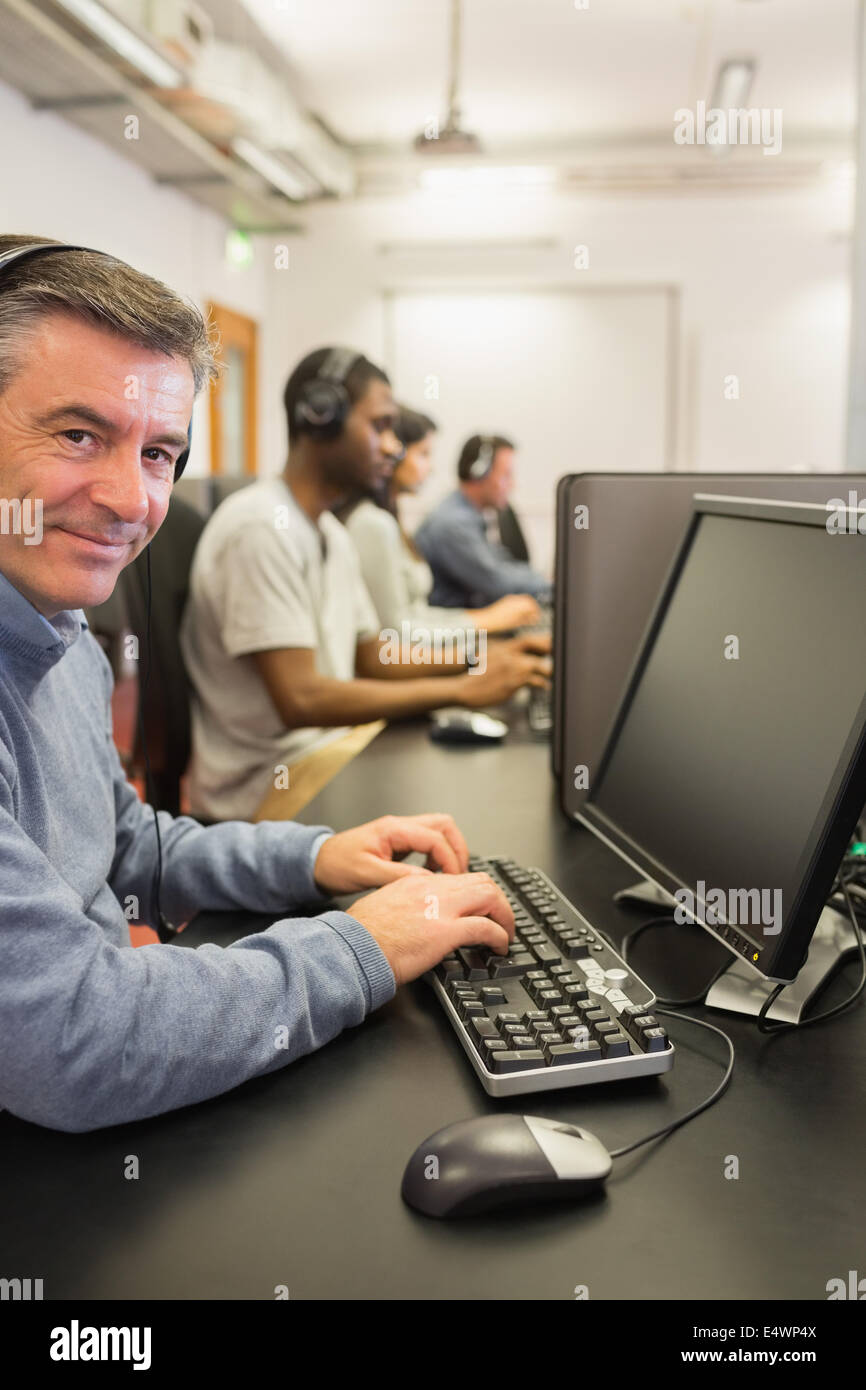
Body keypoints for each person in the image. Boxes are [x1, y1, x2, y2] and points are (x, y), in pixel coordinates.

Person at [0, 236, 517, 1133]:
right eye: (79, 434)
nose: (132, 501)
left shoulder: (59, 634)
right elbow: (71, 1042)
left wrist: (310, 860)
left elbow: (126, 845)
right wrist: (367, 943)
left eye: (159, 453)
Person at [181, 350, 551, 822]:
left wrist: (480, 657)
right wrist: (460, 689)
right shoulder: (259, 529)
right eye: (380, 426)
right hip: (269, 787)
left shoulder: (330, 531)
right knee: (472, 811)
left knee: (481, 793)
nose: (395, 446)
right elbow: (302, 699)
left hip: (328, 750)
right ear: (320, 418)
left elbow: (371, 654)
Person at [341, 406, 541, 640]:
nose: (431, 467)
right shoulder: (377, 524)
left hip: (426, 643)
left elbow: (416, 616)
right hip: (412, 655)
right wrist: (486, 623)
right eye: (423, 453)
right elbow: (394, 637)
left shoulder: (392, 522)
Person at [415, 433, 553, 609]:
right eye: (506, 475)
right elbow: (497, 583)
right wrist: (553, 587)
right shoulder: (454, 523)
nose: (512, 485)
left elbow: (501, 566)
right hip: (452, 629)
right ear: (478, 472)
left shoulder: (468, 515)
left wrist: (541, 580)